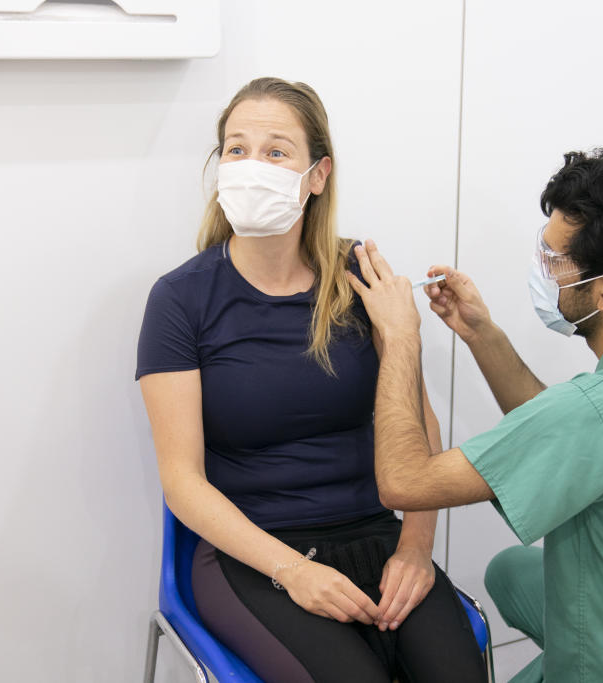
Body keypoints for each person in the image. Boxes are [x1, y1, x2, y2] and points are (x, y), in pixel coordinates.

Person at [346, 149, 603, 683]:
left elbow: (402, 483)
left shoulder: (594, 410)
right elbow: (571, 437)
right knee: (509, 571)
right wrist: (479, 331)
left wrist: (399, 339)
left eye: (556, 262)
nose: (543, 269)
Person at [136, 77, 485, 683]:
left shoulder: (360, 276)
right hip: (253, 554)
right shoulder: (180, 300)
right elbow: (182, 482)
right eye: (236, 149)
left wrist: (416, 547)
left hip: (379, 535)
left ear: (318, 174)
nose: (251, 167)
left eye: (276, 152)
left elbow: (419, 424)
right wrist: (292, 571)